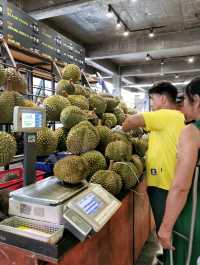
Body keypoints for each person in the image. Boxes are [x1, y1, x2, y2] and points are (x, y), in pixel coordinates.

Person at [122, 82, 185, 263]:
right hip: (171, 180)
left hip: (163, 184)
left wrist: (119, 129)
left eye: (153, 98)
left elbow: (132, 122)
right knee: (171, 225)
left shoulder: (165, 114)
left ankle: (171, 258)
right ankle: (168, 255)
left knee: (165, 227)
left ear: (163, 99)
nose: (152, 102)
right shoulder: (177, 117)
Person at [158, 78, 200, 265]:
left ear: (197, 100)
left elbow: (181, 187)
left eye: (185, 100)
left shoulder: (192, 132)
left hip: (193, 219)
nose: (182, 106)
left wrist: (165, 228)